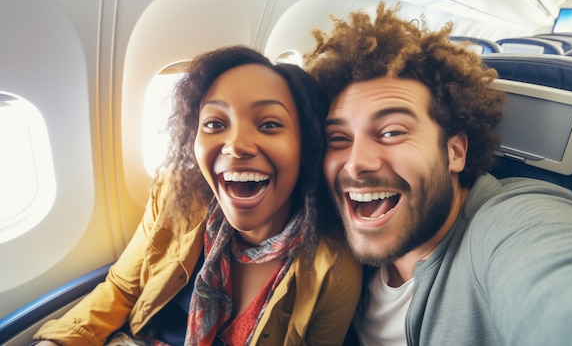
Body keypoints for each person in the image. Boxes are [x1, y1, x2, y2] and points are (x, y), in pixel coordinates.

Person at [304, 1, 572, 346]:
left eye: (392, 132)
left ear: (454, 152)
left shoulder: (508, 221)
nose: (356, 163)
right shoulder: (330, 233)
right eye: (339, 138)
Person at [33, 45, 361, 346]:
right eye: (216, 123)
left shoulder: (333, 270)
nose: (236, 145)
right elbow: (121, 289)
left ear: (307, 145)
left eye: (269, 124)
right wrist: (57, 342)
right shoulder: (175, 199)